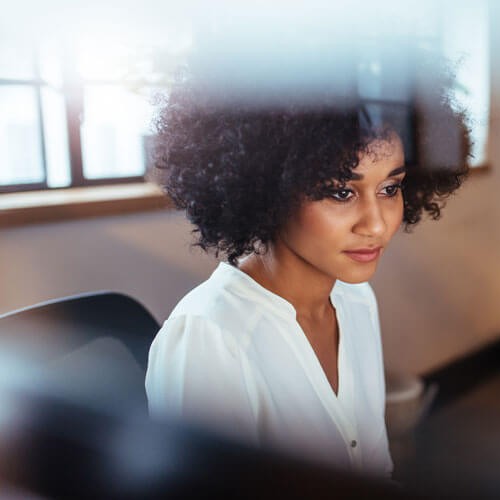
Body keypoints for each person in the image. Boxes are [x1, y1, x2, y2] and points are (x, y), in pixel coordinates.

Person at [144, 43, 470, 478]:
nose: (376, 224)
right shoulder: (211, 338)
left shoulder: (356, 299)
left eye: (390, 188)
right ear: (267, 188)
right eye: (341, 192)